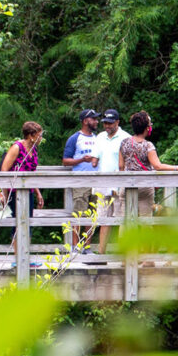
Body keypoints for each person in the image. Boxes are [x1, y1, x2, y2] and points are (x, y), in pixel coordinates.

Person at [120, 111, 178, 217]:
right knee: (145, 221)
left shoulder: (124, 143)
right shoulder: (147, 145)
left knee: (125, 221)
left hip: (127, 185)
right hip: (144, 186)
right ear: (147, 128)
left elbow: (121, 166)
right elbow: (158, 166)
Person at [0, 121, 44, 256]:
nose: (41, 138)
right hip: (14, 191)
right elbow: (4, 170)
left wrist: (38, 193)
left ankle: (25, 256)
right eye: (39, 135)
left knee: (27, 224)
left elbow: (31, 173)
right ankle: (18, 258)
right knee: (17, 224)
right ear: (31, 135)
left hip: (28, 191)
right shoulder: (17, 147)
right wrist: (3, 195)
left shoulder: (34, 149)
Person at [92, 109, 131, 254]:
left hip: (119, 184)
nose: (107, 126)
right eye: (105, 123)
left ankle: (123, 253)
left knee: (122, 220)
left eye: (110, 123)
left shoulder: (125, 137)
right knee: (103, 219)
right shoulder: (100, 137)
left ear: (117, 122)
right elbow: (95, 159)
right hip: (102, 184)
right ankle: (101, 253)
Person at [62, 109, 100, 251]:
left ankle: (87, 246)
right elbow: (65, 161)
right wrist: (81, 160)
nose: (96, 121)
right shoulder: (75, 138)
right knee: (79, 214)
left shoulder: (97, 138)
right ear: (85, 121)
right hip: (80, 181)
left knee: (92, 215)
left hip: (96, 182)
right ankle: (75, 246)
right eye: (93, 119)